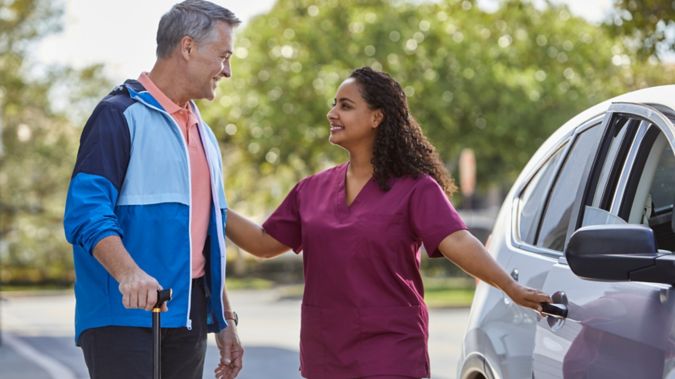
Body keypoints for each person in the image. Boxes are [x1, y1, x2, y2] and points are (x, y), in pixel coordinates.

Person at [223, 67, 552, 379]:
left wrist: (510, 287)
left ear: (376, 117)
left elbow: (458, 241)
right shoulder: (311, 189)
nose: (332, 113)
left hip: (390, 349)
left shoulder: (415, 188)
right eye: (333, 104)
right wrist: (213, 206)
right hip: (325, 350)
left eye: (346, 105)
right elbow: (264, 243)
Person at [63, 1, 243, 378]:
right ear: (188, 47)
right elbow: (86, 212)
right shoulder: (117, 115)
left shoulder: (203, 133)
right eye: (222, 56)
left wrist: (223, 317)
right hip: (122, 315)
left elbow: (205, 235)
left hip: (187, 316)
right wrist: (129, 272)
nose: (226, 70)